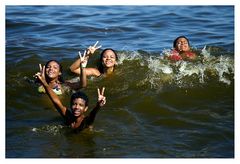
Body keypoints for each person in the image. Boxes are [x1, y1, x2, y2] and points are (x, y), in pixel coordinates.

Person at [35, 65, 106, 132]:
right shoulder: (67, 116)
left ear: (86, 108)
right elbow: (56, 101)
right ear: (70, 105)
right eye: (74, 104)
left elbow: (92, 114)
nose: (77, 107)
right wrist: (44, 83)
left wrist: (98, 106)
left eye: (81, 105)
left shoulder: (86, 121)